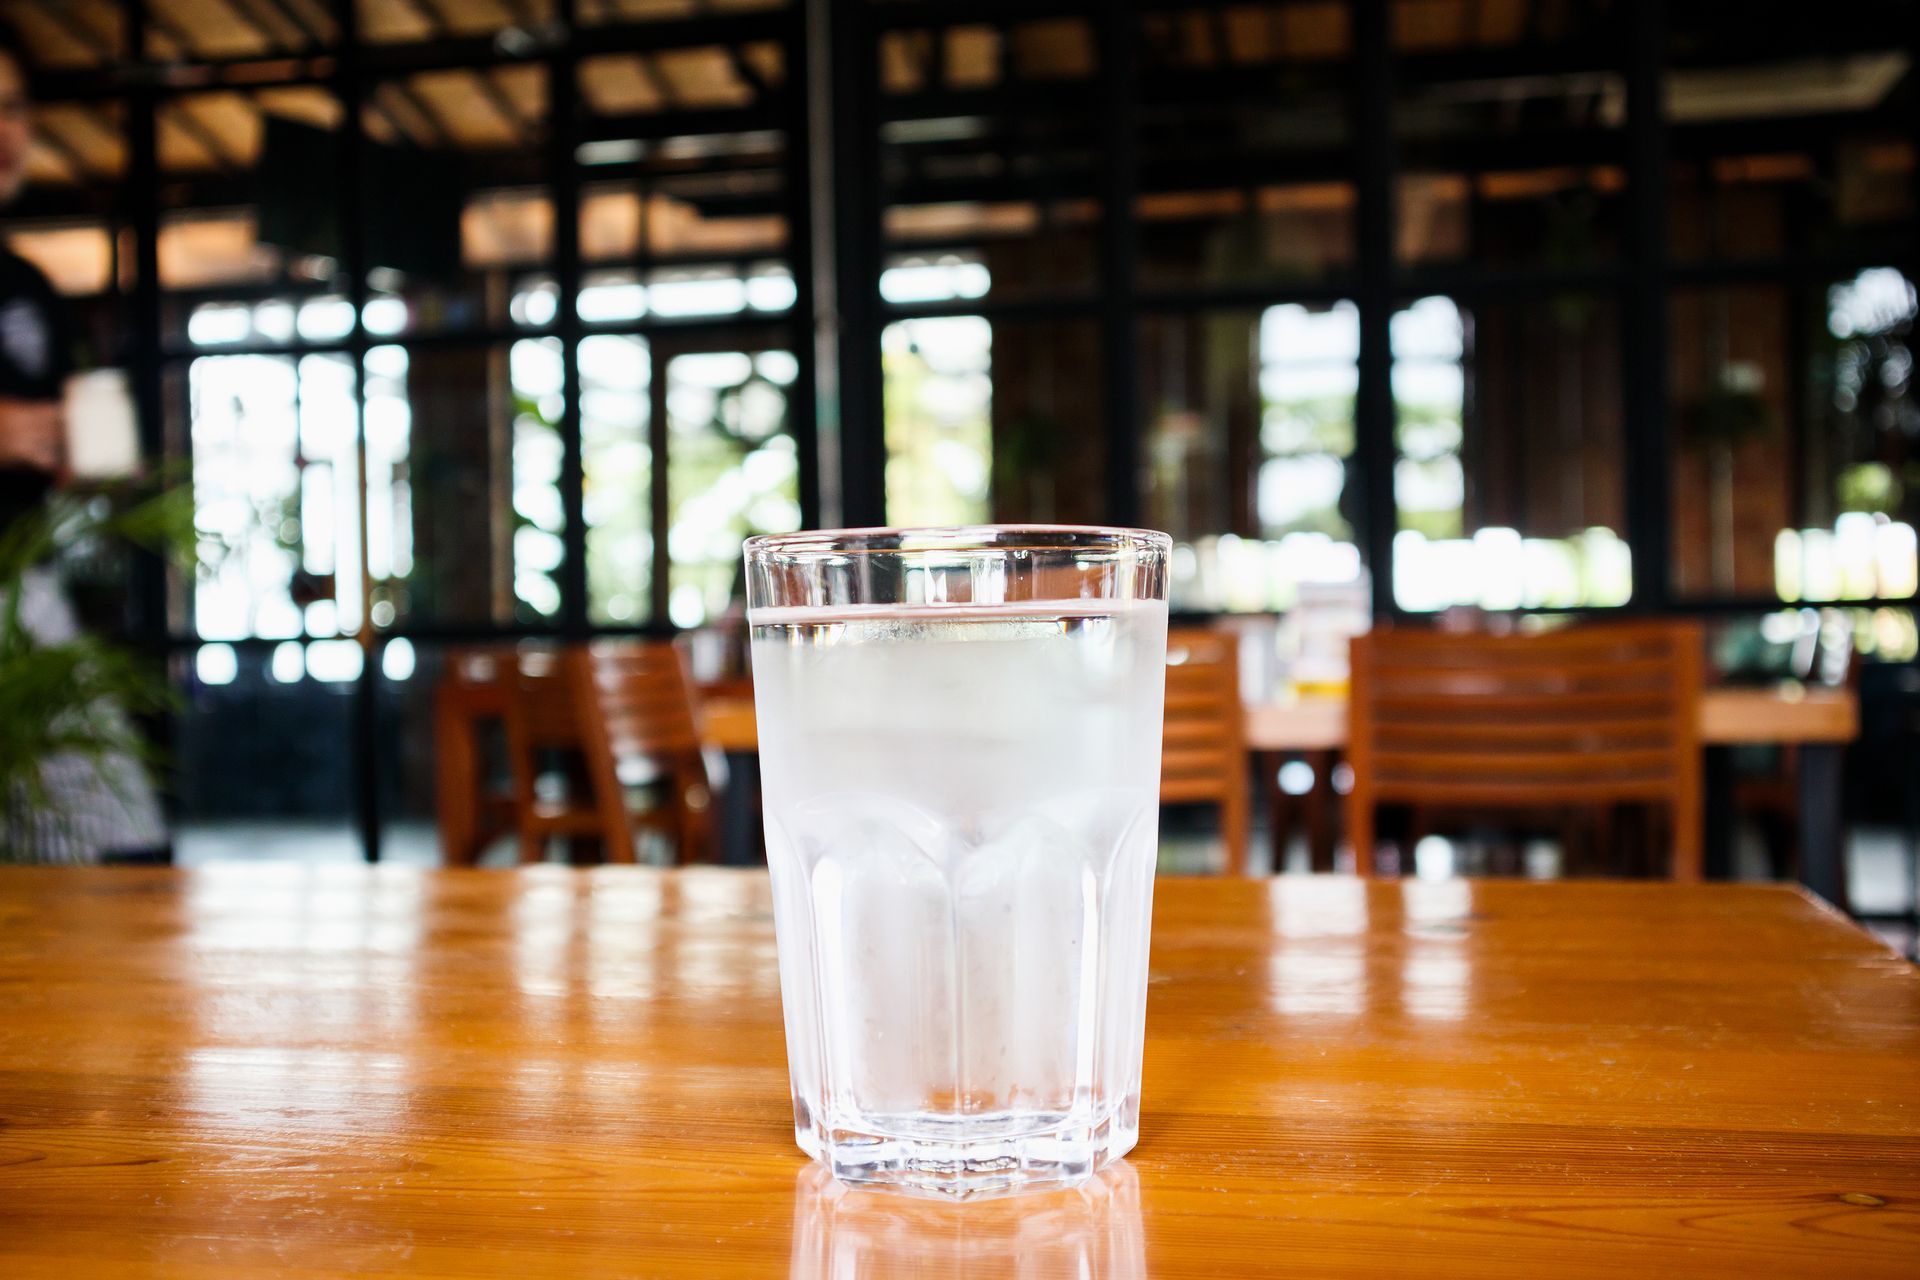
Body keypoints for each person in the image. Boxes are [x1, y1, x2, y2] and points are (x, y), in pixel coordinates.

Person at [0, 38, 164, 863]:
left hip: (23, 587)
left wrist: (86, 453)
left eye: (14, 108)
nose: (3, 132)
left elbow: (59, 431)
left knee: (111, 844)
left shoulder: (27, 286)